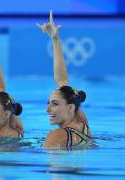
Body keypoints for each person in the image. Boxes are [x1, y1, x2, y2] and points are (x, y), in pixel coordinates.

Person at [37, 11, 93, 149]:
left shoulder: (56, 136)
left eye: (54, 104)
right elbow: (63, 82)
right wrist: (55, 39)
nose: (47, 109)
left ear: (70, 107)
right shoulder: (83, 126)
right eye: (49, 103)